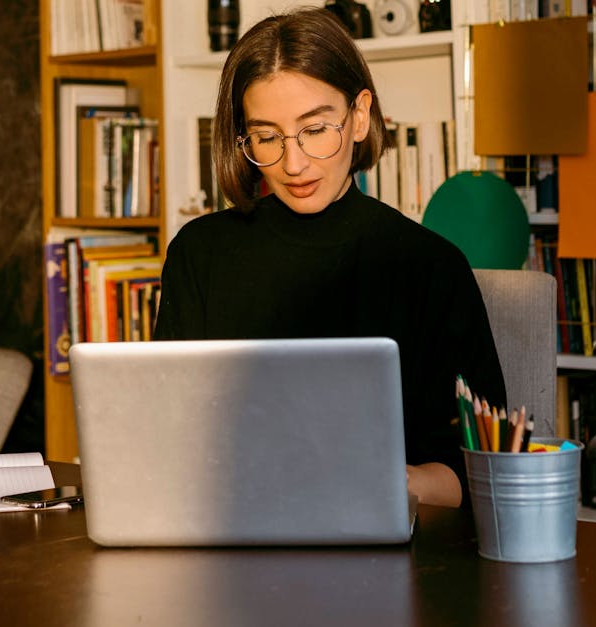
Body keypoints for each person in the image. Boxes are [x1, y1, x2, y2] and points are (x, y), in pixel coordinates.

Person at [153, 8, 507, 508]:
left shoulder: (431, 266)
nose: (293, 164)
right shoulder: (199, 253)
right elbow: (170, 437)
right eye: (267, 137)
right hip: (230, 538)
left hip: (391, 553)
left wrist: (392, 485)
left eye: (315, 129)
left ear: (360, 115)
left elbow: (483, 468)